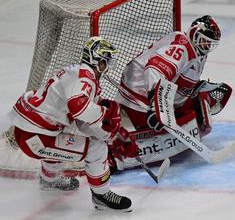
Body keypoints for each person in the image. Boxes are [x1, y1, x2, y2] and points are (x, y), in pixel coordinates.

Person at [7, 37, 137, 212]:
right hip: (36, 138)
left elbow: (83, 123)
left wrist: (114, 135)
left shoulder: (74, 72)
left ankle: (49, 180)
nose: (108, 68)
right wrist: (106, 117)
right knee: (96, 149)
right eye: (107, 62)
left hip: (29, 132)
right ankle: (101, 196)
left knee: (64, 144)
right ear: (99, 63)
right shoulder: (85, 77)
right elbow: (79, 109)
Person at [111, 15, 232, 170]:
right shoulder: (181, 47)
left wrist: (198, 89)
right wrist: (156, 108)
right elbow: (154, 70)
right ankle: (119, 154)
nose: (207, 46)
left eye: (210, 44)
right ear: (195, 33)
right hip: (139, 99)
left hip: (158, 95)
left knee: (202, 104)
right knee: (183, 120)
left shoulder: (198, 52)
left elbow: (179, 80)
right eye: (205, 41)